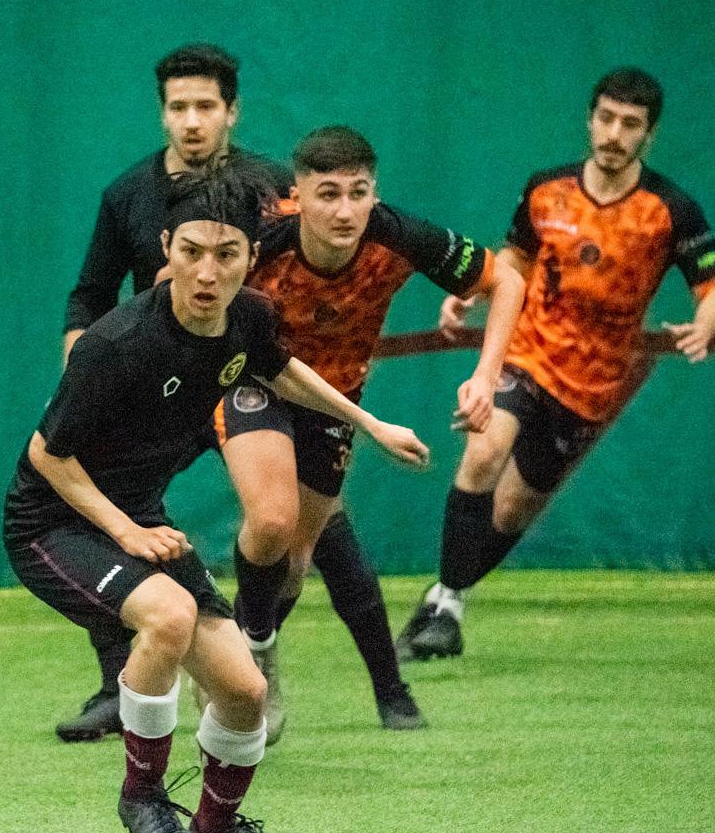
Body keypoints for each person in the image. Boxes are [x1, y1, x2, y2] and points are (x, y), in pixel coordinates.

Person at [5, 164, 427, 833]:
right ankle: (142, 797)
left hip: (139, 519)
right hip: (53, 525)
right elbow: (47, 455)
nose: (207, 272)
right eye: (191, 252)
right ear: (167, 249)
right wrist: (127, 531)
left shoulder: (251, 316)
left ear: (250, 259)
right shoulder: (118, 343)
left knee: (243, 690)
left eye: (226, 255)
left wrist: (371, 424)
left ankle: (216, 829)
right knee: (167, 617)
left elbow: (278, 368)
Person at [397, 68, 715, 660]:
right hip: (525, 354)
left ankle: (445, 595)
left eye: (630, 125)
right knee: (482, 451)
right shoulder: (546, 189)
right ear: (589, 118)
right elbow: (515, 262)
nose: (613, 134)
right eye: (605, 118)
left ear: (649, 135)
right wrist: (472, 291)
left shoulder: (670, 209)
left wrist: (705, 326)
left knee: (512, 509)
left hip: (591, 387)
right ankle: (446, 604)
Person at [205, 126, 525, 736]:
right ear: (297, 193)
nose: (345, 210)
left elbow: (506, 282)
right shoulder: (259, 241)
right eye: (327, 194)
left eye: (359, 192)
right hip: (255, 381)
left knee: (296, 564)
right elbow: (181, 289)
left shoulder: (398, 236)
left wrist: (487, 376)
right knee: (270, 521)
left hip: (334, 404)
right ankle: (241, 656)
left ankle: (253, 641)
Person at [55, 42, 293, 743]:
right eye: (178, 107)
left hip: (246, 376)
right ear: (162, 113)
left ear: (231, 112)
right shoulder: (128, 194)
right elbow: (89, 297)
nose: (192, 121)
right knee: (108, 514)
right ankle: (119, 680)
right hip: (156, 386)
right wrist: (81, 368)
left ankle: (265, 653)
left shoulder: (271, 188)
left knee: (287, 519)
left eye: (206, 106)